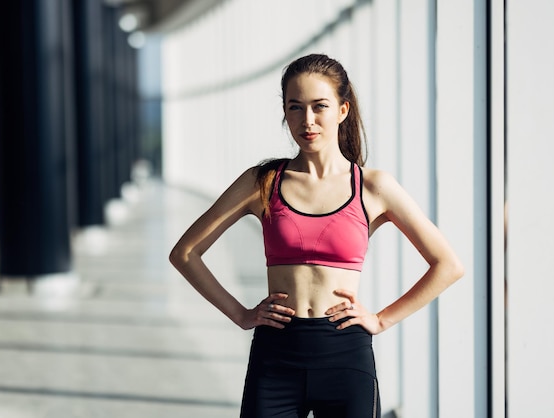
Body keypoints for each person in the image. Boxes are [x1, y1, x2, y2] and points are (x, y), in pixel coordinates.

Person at [169, 53, 464, 418]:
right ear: (285, 113)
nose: (307, 120)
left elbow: (447, 265)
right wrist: (241, 315)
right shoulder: (261, 183)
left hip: (346, 358)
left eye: (318, 107)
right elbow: (185, 252)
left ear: (342, 110)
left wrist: (382, 319)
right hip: (276, 356)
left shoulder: (373, 187)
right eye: (295, 108)